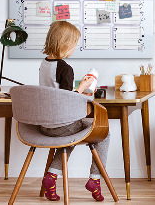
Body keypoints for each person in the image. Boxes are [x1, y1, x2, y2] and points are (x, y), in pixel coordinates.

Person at [39, 21, 110, 202]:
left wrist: (80, 89)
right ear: (65, 44)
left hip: (45, 125)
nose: (74, 49)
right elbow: (67, 100)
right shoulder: (65, 68)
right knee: (104, 133)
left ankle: (52, 177)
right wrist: (84, 87)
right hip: (62, 125)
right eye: (74, 45)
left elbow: (56, 93)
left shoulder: (44, 64)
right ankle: (95, 179)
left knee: (69, 137)